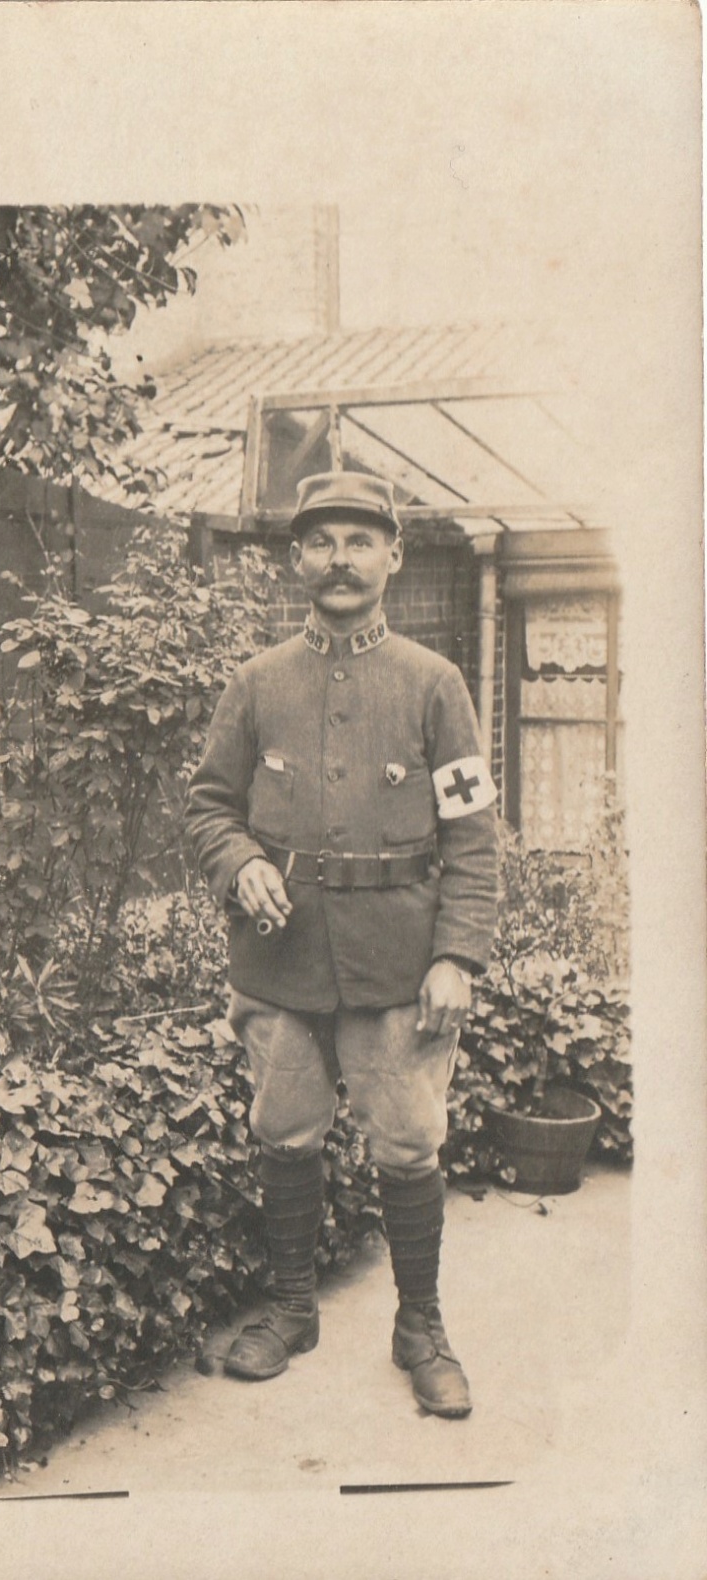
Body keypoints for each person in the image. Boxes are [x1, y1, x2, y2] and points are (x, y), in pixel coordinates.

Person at [184, 470, 498, 1417]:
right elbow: (208, 805)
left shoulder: (435, 686)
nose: (340, 560)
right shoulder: (257, 683)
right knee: (284, 1134)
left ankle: (421, 1325)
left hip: (399, 964)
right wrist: (239, 863)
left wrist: (456, 957)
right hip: (279, 964)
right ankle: (291, 1309)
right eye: (321, 542)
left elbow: (474, 839)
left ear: (394, 557)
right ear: (296, 560)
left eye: (361, 541)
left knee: (408, 1144)